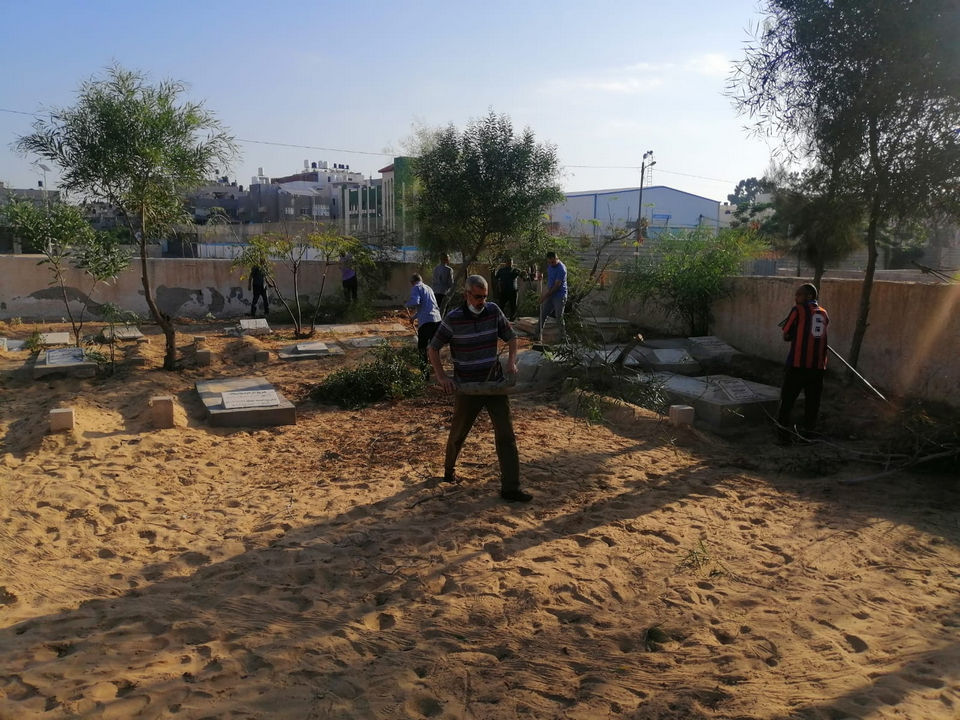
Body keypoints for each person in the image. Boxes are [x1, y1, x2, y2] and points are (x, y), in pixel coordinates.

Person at [428, 275, 531, 503]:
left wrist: (511, 362)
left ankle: (511, 488)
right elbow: (433, 348)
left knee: (506, 435)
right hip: (467, 388)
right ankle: (448, 471)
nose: (481, 301)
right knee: (458, 433)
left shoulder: (493, 311)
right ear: (466, 295)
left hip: (494, 385)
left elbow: (512, 337)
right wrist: (442, 376)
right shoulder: (453, 319)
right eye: (477, 297)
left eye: (484, 296)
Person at [777, 283, 829, 443]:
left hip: (797, 365)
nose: (796, 298)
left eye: (799, 295)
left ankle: (783, 436)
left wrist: (792, 334)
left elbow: (786, 334)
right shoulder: (824, 312)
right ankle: (808, 435)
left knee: (787, 400)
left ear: (809, 296)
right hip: (818, 367)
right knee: (812, 403)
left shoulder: (798, 310)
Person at [406, 273, 442, 365]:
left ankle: (424, 371)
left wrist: (406, 304)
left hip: (426, 322)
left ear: (412, 282)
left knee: (422, 348)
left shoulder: (416, 287)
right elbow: (428, 307)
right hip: (437, 320)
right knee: (434, 348)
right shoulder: (429, 288)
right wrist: (413, 317)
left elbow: (415, 301)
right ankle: (436, 368)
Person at [537, 251, 567, 343]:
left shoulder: (561, 269)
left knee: (559, 317)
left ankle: (563, 339)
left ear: (557, 258)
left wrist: (544, 296)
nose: (551, 264)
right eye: (549, 262)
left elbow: (556, 286)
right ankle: (537, 335)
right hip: (550, 294)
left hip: (559, 295)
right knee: (543, 313)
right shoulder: (550, 265)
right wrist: (541, 274)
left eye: (553, 262)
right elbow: (544, 268)